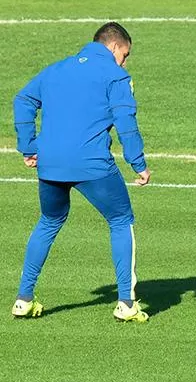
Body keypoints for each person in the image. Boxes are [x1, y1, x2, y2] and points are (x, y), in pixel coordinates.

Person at [11, 22, 151, 322]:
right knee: (120, 219)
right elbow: (126, 122)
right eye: (125, 55)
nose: (125, 62)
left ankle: (23, 298)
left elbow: (22, 100)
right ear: (114, 47)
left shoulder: (56, 69)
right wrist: (138, 163)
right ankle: (126, 303)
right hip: (92, 165)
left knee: (49, 220)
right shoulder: (115, 75)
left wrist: (29, 146)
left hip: (49, 164)